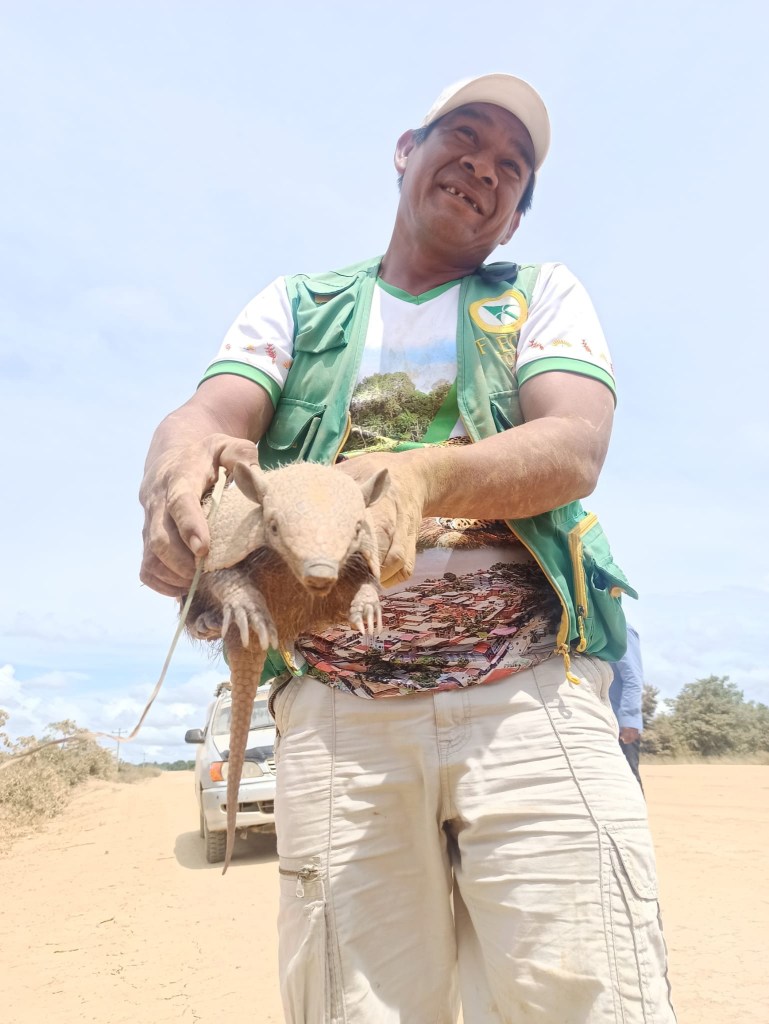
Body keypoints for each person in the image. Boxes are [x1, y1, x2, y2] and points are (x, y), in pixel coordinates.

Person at [140, 73, 675, 1023]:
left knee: (588, 999)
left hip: (528, 697)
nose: (485, 168)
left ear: (514, 216)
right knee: (358, 1006)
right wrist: (173, 470)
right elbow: (208, 416)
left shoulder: (540, 296)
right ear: (405, 151)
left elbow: (572, 445)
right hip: (340, 714)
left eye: (512, 167)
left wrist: (420, 478)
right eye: (464, 138)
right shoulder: (298, 306)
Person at [610, 623, 646, 790]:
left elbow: (633, 678)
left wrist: (629, 721)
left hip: (620, 726)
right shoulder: (586, 631)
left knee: (627, 782)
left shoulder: (620, 629)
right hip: (597, 722)